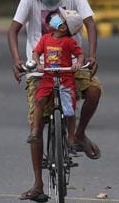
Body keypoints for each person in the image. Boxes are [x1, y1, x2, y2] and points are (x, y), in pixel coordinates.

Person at [8, 0, 102, 201]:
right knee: (36, 123)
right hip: (41, 69)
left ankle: (78, 135)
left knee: (93, 91)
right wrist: (18, 60)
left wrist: (90, 56)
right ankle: (38, 184)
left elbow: (90, 23)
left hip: (71, 64)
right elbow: (13, 31)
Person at [27, 8, 85, 150]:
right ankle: (35, 130)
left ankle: (70, 136)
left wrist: (78, 63)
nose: (55, 18)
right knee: (39, 100)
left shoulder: (69, 42)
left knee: (70, 111)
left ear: (64, 27)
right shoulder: (45, 38)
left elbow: (80, 54)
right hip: (48, 77)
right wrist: (38, 64)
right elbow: (36, 53)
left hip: (66, 78)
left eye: (60, 18)